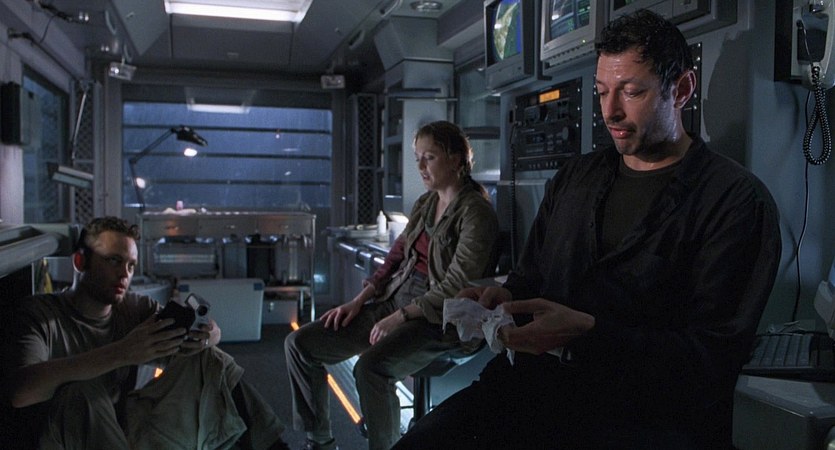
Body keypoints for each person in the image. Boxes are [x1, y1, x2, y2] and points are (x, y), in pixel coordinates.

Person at [394, 10, 782, 450]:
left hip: (638, 419)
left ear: (682, 90)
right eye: (601, 92)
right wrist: (502, 298)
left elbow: (711, 359)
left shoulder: (734, 202)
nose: (610, 111)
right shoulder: (575, 179)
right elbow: (530, 278)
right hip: (531, 389)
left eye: (631, 92)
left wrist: (589, 336)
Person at [285, 120, 499, 450]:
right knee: (300, 344)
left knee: (371, 368)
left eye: (429, 157)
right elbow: (396, 256)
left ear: (456, 159)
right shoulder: (426, 204)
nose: (421, 167)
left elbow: (457, 285)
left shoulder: (476, 213)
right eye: (418, 158)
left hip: (440, 317)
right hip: (396, 297)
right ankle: (320, 442)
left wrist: (400, 317)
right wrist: (359, 300)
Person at [1, 216, 289, 450]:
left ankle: (272, 445)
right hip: (69, 435)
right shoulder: (40, 314)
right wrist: (122, 352)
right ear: (80, 262)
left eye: (130, 265)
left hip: (127, 428)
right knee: (81, 393)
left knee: (209, 358)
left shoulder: (133, 307)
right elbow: (20, 392)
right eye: (113, 261)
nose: (124, 274)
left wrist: (207, 334)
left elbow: (204, 340)